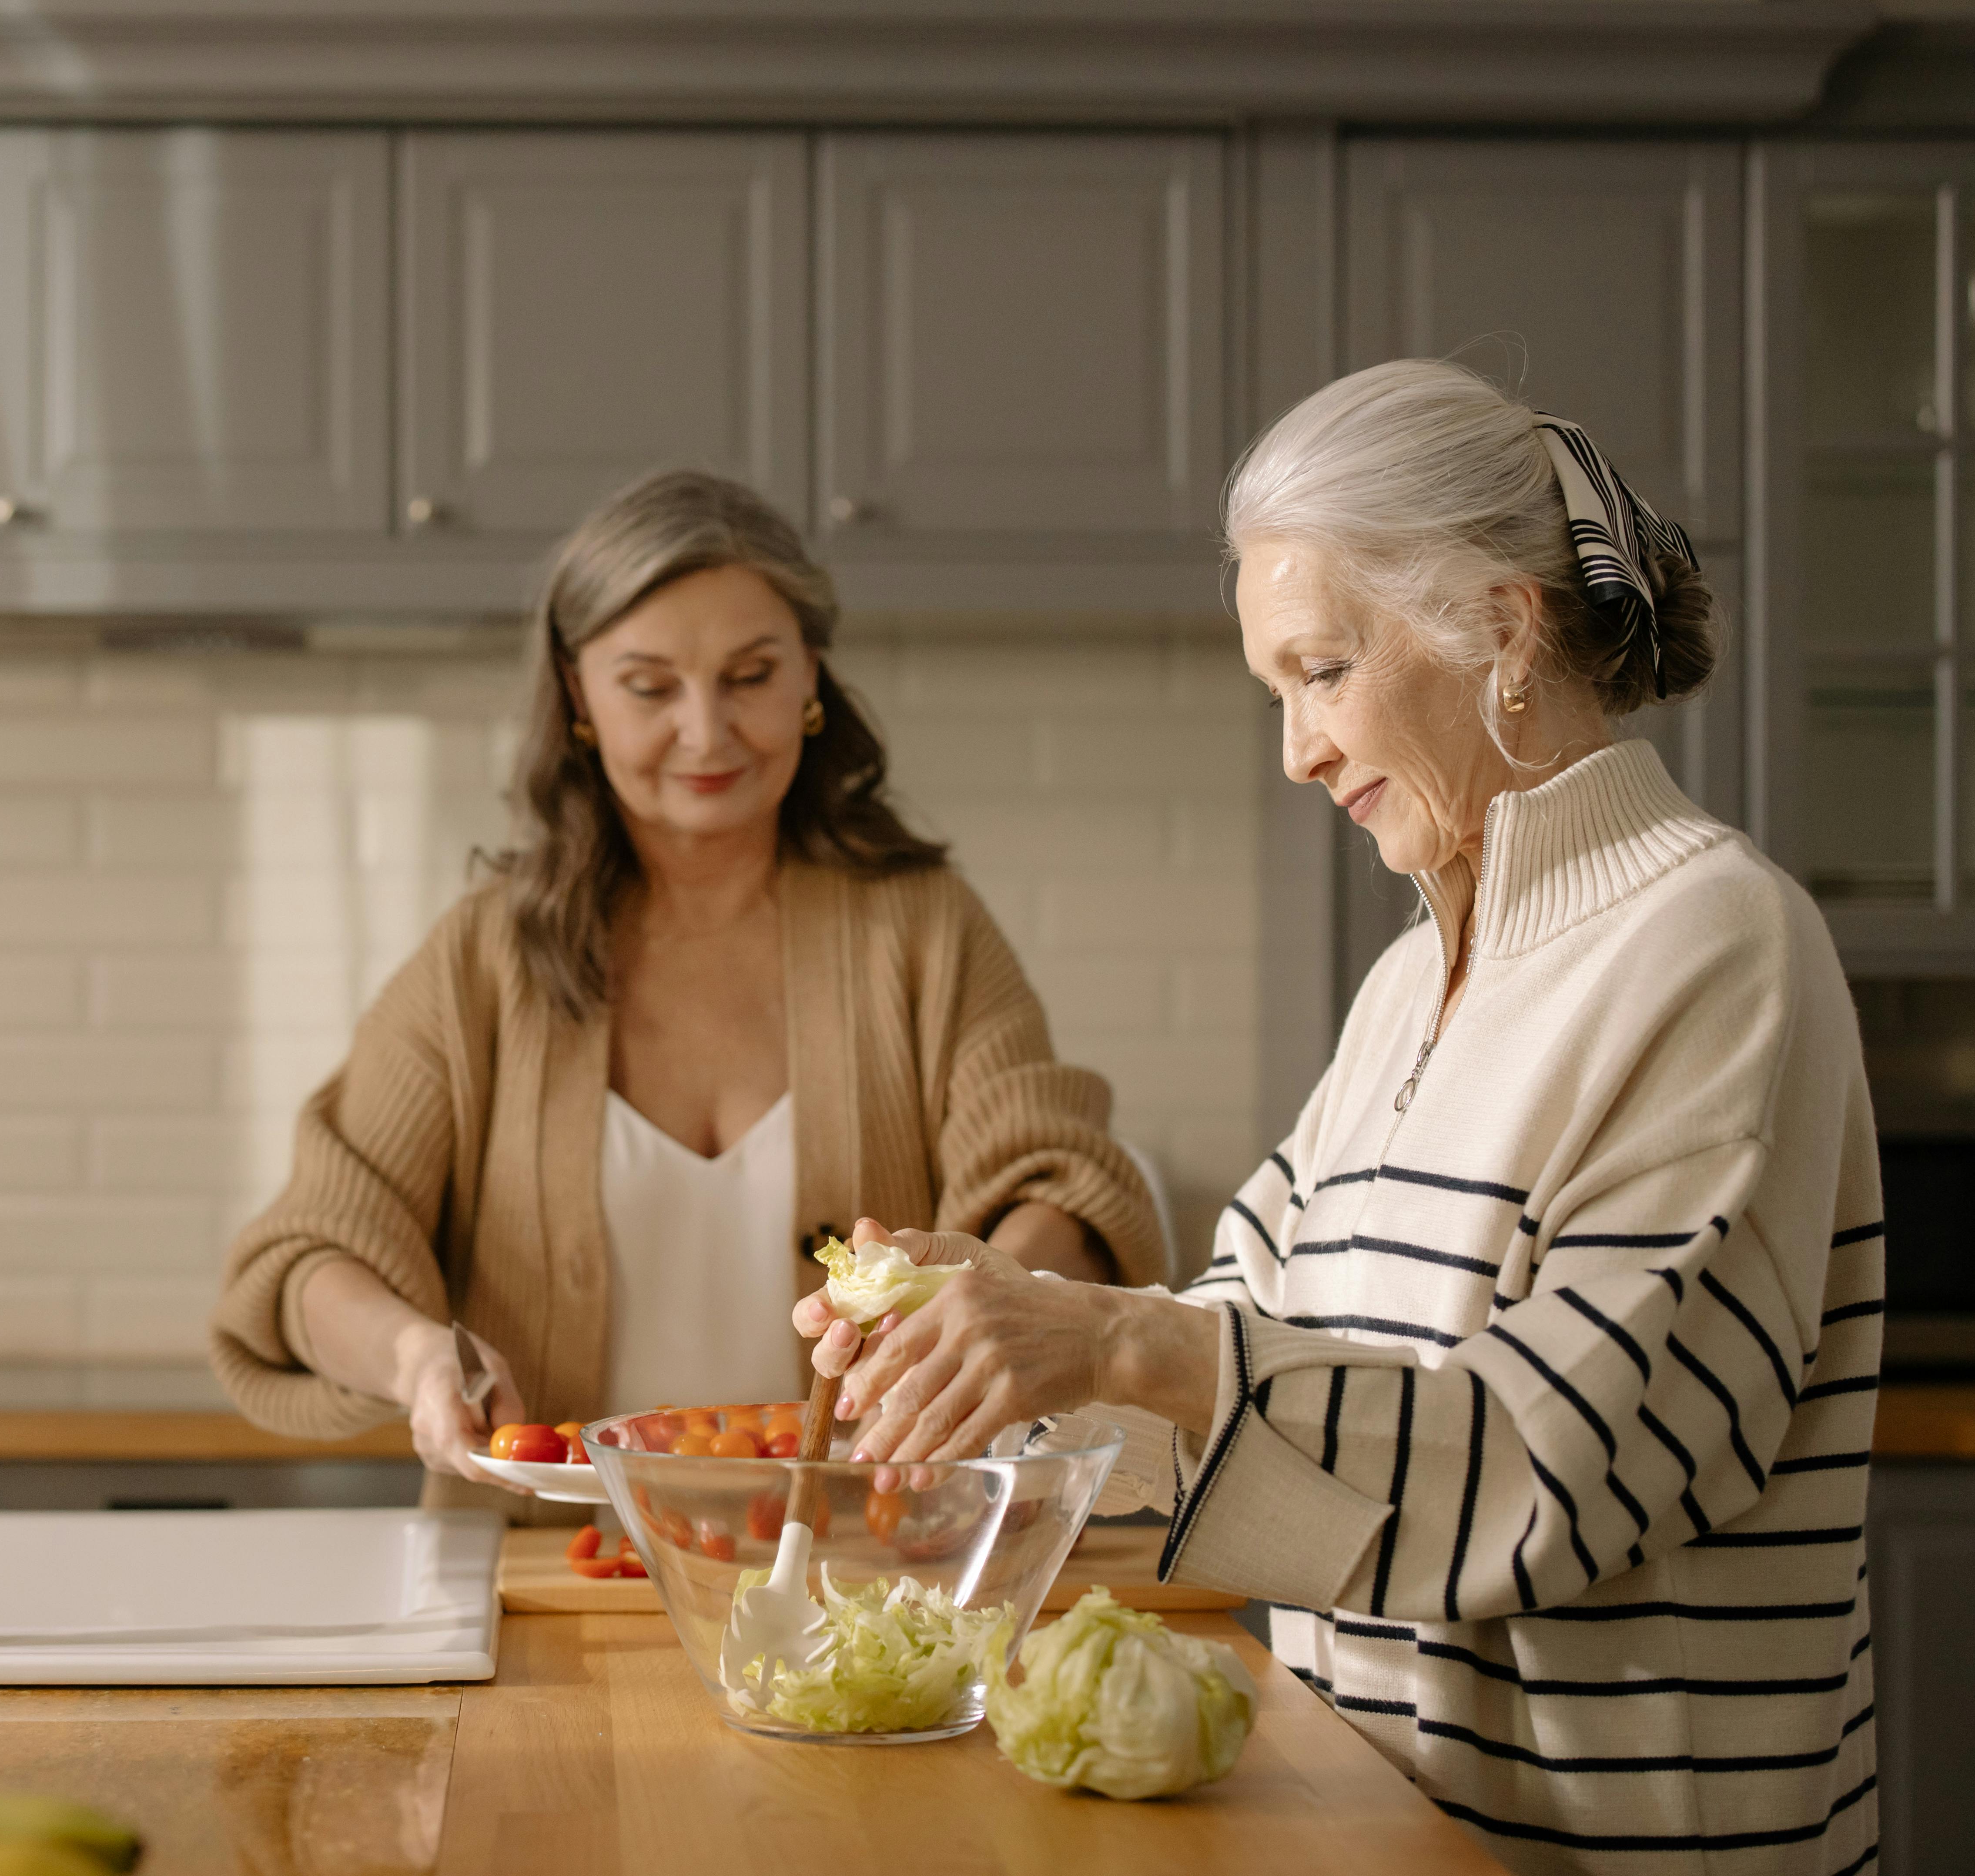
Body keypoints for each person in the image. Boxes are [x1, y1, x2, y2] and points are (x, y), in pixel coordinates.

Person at [800, 362, 1881, 1875]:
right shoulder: (1408, 982)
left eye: (1319, 670)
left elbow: (1557, 1475)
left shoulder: (1711, 941)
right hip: (1370, 1836)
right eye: (1277, 692)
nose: (1295, 750)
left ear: (1499, 631)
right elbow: (1247, 1370)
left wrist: (1112, 1342)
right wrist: (1002, 1332)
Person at [211, 468, 1163, 1500]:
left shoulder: (922, 928)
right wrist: (413, 1357)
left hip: (863, 1567)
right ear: (578, 694)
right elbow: (307, 1255)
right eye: (652, 686)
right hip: (546, 1579)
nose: (708, 733)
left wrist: (990, 1299)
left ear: (811, 676)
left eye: (750, 675)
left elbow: (1059, 1184)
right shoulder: (485, 959)